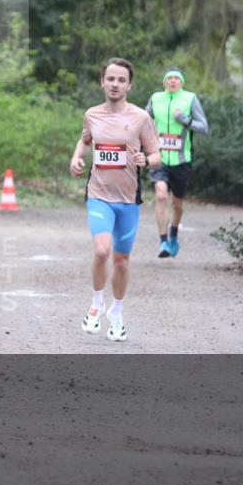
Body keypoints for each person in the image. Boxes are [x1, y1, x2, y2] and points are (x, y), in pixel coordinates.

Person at [70, 58, 160, 342]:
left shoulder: (140, 118)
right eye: (110, 79)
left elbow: (157, 156)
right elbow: (85, 139)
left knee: (121, 261)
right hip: (98, 195)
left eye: (121, 80)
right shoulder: (92, 115)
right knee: (101, 251)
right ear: (102, 82)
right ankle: (96, 303)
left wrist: (145, 160)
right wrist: (77, 157)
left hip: (128, 201)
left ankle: (117, 312)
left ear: (129, 85)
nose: (115, 84)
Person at [145, 68, 209, 258]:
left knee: (177, 204)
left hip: (182, 160)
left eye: (176, 78)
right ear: (164, 82)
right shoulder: (156, 99)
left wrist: (184, 119)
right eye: (169, 78)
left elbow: (203, 127)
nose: (173, 81)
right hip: (159, 158)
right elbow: (143, 120)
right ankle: (163, 242)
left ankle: (174, 232)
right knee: (161, 196)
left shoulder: (190, 99)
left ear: (181, 83)